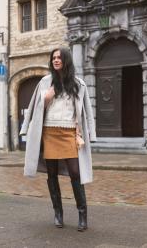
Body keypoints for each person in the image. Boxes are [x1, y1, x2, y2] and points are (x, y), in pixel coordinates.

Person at [20, 47, 96, 232]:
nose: (55, 60)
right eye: (53, 58)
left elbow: (86, 111)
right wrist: (46, 98)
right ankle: (58, 213)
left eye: (59, 57)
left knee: (75, 173)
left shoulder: (79, 84)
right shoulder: (45, 82)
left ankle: (82, 214)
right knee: (51, 174)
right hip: (49, 131)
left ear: (66, 60)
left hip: (69, 132)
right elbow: (34, 107)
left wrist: (91, 134)